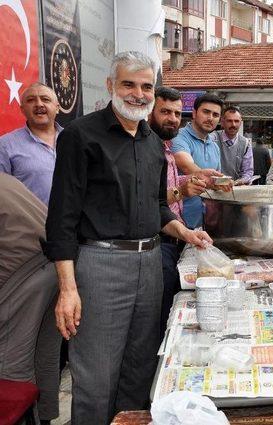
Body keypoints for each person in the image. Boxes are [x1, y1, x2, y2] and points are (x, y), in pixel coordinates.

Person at [44, 51, 213, 424]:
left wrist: (185, 231)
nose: (138, 94)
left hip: (150, 263)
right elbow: (62, 219)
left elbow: (156, 207)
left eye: (146, 86)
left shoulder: (154, 143)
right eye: (129, 84)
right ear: (110, 86)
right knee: (96, 375)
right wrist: (68, 289)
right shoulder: (80, 136)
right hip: (99, 265)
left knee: (140, 368)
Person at [148, 86, 218, 333]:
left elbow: (168, 184)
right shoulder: (148, 146)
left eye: (177, 113)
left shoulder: (164, 144)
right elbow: (148, 199)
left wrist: (192, 180)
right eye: (165, 111)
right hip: (158, 239)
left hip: (177, 234)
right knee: (160, 310)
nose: (172, 119)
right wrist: (183, 191)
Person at [0, 174, 60, 424]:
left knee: (10, 365)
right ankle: (45, 418)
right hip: (53, 263)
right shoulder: (5, 180)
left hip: (23, 271)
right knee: (44, 354)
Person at [172, 92, 230, 228]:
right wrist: (207, 177)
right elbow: (186, 166)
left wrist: (229, 184)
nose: (210, 118)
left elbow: (217, 183)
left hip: (206, 223)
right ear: (194, 113)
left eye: (215, 115)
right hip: (179, 225)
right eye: (206, 112)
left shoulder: (214, 146)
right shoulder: (179, 138)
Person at [0, 83, 61, 205]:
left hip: (76, 222)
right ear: (22, 109)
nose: (39, 104)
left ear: (57, 107)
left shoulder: (74, 139)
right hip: (31, 223)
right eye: (31, 100)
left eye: (45, 99)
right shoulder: (5, 145)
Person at [213, 106, 254, 184]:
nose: (233, 124)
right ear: (222, 122)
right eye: (229, 121)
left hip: (235, 190)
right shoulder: (212, 139)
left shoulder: (245, 143)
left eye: (236, 121)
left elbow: (248, 171)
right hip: (214, 188)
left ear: (241, 122)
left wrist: (241, 181)